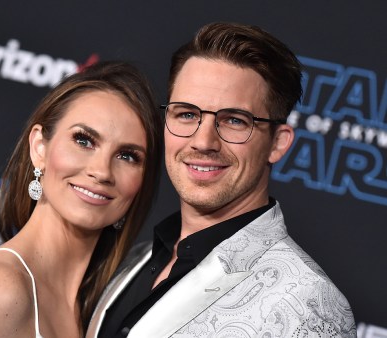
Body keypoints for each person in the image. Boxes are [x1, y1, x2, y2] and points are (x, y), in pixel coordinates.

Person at [86, 23, 357, 338]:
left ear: (278, 143)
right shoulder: (134, 259)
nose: (203, 142)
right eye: (186, 114)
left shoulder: (308, 304)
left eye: (234, 121)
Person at [0, 61, 162, 337]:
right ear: (40, 148)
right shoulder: (0, 287)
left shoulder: (97, 308)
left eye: (127, 156)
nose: (101, 171)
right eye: (84, 140)